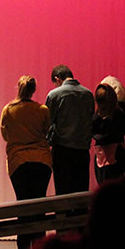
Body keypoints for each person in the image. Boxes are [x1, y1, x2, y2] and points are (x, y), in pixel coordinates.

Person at [0, 75, 52, 249]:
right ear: (33, 90)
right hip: (42, 160)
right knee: (39, 203)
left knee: (22, 203)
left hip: (18, 161)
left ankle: (23, 245)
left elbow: (5, 135)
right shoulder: (42, 110)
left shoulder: (8, 110)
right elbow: (47, 130)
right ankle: (39, 245)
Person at [44, 65, 94, 194]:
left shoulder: (55, 94)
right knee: (80, 193)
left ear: (57, 79)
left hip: (62, 150)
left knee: (63, 193)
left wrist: (47, 144)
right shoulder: (88, 94)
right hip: (82, 150)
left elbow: (48, 123)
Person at [91, 81, 125, 184]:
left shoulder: (97, 117)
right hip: (112, 153)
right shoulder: (121, 113)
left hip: (107, 154)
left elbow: (95, 133)